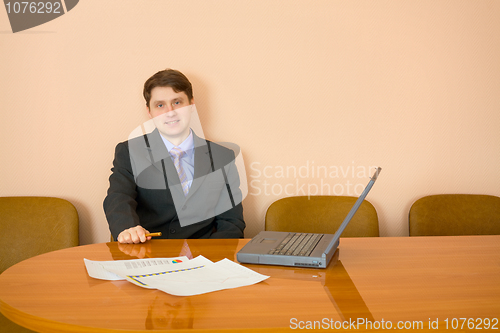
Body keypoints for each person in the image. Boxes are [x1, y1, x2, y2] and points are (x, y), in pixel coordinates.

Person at [104, 69, 245, 243]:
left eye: (177, 102)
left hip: (204, 258)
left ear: (191, 105)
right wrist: (128, 229)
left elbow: (231, 223)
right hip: (148, 253)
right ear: (149, 111)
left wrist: (209, 260)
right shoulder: (129, 151)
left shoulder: (223, 157)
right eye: (160, 105)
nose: (170, 112)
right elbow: (118, 198)